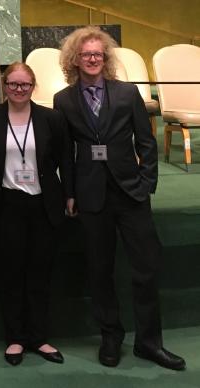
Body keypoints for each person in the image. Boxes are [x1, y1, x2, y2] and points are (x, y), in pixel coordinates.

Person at [54, 26, 185, 371]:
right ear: (75, 60)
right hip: (90, 196)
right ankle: (110, 337)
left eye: (98, 54)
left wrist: (146, 184)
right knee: (100, 271)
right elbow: (65, 153)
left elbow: (147, 142)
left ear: (106, 58)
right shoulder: (63, 100)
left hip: (131, 193)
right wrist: (69, 192)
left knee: (146, 268)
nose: (93, 59)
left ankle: (149, 343)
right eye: (86, 54)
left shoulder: (127, 94)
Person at [0, 62, 71, 366]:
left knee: (40, 274)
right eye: (13, 84)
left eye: (25, 85)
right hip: (7, 205)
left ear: (33, 87)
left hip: (44, 205)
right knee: (11, 274)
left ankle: (39, 338)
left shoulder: (52, 119)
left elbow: (65, 159)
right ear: (5, 86)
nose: (19, 90)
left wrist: (68, 194)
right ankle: (15, 339)